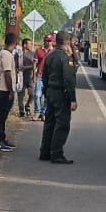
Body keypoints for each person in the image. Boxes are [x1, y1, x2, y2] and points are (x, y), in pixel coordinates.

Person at [38, 30, 79, 164]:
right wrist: (72, 99)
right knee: (62, 124)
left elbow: (44, 75)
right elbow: (68, 80)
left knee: (49, 122)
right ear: (67, 42)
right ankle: (56, 153)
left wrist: (46, 90)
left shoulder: (50, 56)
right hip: (61, 94)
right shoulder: (65, 58)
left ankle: (45, 151)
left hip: (50, 91)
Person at [0, 38, 17, 151]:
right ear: (15, 43)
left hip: (1, 88)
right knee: (1, 116)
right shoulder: (6, 54)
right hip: (4, 89)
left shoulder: (2, 52)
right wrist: (11, 90)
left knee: (3, 115)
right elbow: (7, 73)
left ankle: (2, 138)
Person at [33, 34, 53, 120]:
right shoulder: (38, 51)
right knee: (37, 95)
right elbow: (34, 64)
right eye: (47, 41)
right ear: (44, 41)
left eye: (50, 41)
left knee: (47, 96)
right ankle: (37, 112)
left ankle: (44, 113)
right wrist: (34, 75)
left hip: (50, 77)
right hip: (40, 76)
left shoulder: (54, 51)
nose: (48, 43)